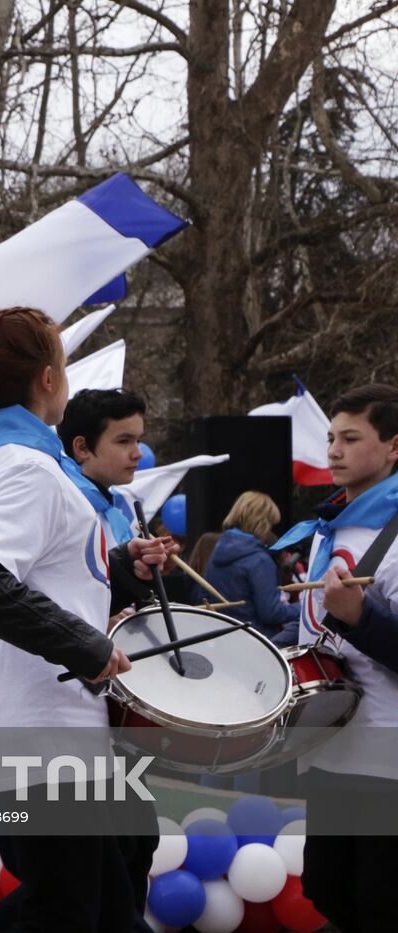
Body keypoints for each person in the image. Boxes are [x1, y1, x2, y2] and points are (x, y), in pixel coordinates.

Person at [0, 307, 173, 932]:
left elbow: (46, 577)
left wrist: (120, 569)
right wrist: (83, 646)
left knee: (104, 909)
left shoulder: (6, 460)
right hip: (38, 733)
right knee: (67, 911)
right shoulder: (26, 467)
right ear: (46, 378)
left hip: (41, 727)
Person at [270, 383, 398, 932]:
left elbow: (352, 621)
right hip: (330, 745)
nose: (334, 451)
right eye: (331, 438)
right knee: (327, 888)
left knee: (378, 903)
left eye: (351, 438)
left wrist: (359, 616)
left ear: (394, 446)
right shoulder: (331, 523)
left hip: (386, 756)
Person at [200, 491, 297, 640]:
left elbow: (204, 596)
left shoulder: (217, 550)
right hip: (256, 641)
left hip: (223, 639)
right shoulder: (259, 560)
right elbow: (271, 613)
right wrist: (302, 608)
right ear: (263, 523)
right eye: (270, 524)